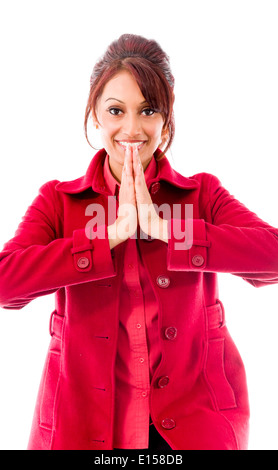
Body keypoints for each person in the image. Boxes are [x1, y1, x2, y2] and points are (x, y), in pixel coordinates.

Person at [0, 33, 277, 451]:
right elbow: (6, 284)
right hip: (84, 424)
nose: (132, 128)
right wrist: (109, 235)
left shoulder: (201, 194)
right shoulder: (58, 200)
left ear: (166, 120)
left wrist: (166, 229)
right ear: (95, 116)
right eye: (116, 110)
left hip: (192, 423)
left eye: (148, 110)